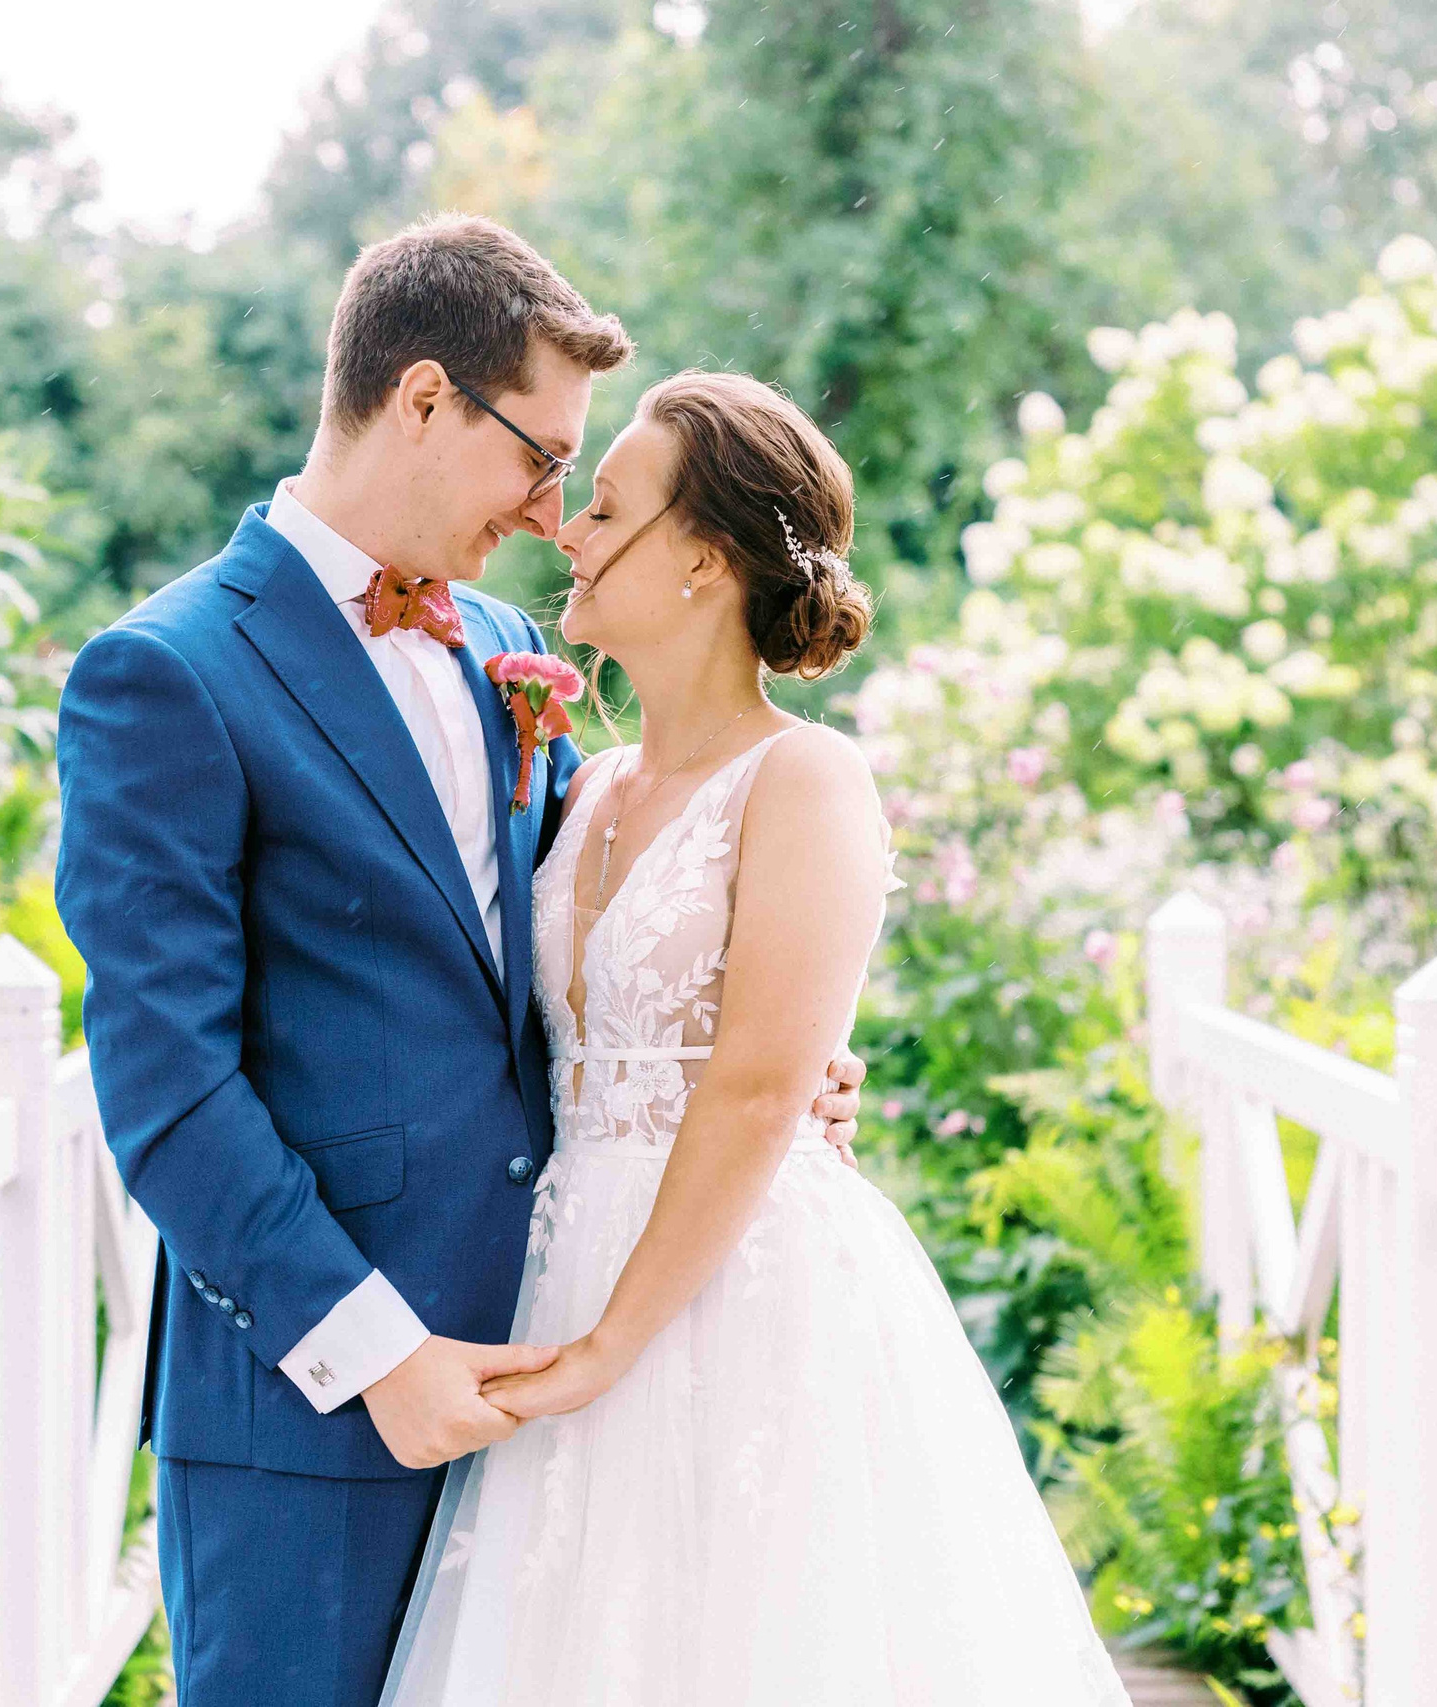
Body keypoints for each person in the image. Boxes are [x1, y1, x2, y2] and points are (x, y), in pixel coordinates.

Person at [52, 217, 869, 1707]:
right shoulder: (164, 673)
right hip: (316, 1414)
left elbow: (596, 954)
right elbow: (166, 1082)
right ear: (422, 399)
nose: (558, 510)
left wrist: (766, 1071)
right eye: (541, 457)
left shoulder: (510, 653)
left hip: (564, 1394)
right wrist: (375, 1354)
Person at [379, 371, 1134, 1706]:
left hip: (742, 1289)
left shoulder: (808, 779)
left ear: (705, 559)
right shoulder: (584, 779)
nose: (568, 528)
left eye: (605, 506)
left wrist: (614, 1345)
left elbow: (757, 1085)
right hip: (558, 1268)